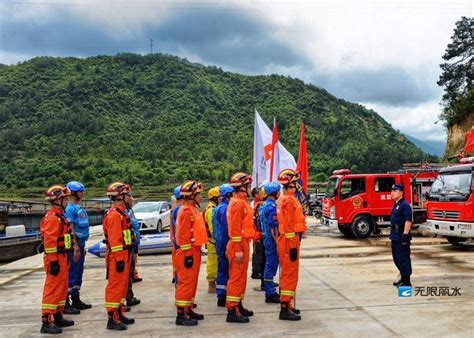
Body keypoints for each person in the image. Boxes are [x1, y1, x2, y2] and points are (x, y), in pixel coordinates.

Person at [40, 185, 75, 334]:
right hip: (55, 259)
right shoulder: (53, 219)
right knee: (52, 289)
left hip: (62, 256)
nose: (67, 201)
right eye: (65, 199)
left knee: (61, 289)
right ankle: (47, 321)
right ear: (58, 200)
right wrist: (53, 261)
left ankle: (58, 314)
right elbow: (50, 242)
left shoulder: (61, 217)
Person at [103, 182, 136, 330]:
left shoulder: (121, 214)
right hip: (118, 256)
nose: (130, 198)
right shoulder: (115, 216)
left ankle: (119, 312)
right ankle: (112, 318)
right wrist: (119, 260)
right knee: (115, 287)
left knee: (121, 288)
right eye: (128, 195)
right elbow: (115, 241)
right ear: (121, 196)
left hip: (124, 254)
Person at [174, 180, 208, 326]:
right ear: (192, 195)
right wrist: (187, 253)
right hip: (187, 252)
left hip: (194, 250)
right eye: (198, 194)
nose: (201, 196)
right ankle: (181, 314)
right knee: (185, 283)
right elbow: (183, 235)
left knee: (191, 282)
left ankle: (188, 307)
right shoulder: (186, 211)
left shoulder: (193, 209)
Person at [225, 172, 255, 323]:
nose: (251, 188)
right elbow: (235, 228)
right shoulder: (237, 203)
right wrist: (237, 249)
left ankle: (238, 304)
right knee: (236, 278)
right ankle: (232, 310)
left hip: (243, 243)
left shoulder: (241, 202)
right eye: (248, 186)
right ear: (242, 187)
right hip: (238, 244)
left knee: (241, 277)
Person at [277, 169, 306, 321]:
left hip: (291, 239)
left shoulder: (289, 198)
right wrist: (292, 245)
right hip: (289, 241)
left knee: (291, 273)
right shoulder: (288, 200)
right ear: (289, 184)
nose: (297, 186)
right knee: (288, 274)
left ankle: (288, 305)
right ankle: (284, 307)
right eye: (295, 183)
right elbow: (288, 225)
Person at [64, 181, 91, 314]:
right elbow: (71, 228)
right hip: (75, 246)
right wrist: (75, 246)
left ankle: (76, 299)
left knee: (78, 273)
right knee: (72, 273)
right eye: (81, 191)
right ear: (74, 192)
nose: (82, 193)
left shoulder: (77, 208)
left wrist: (82, 247)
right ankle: (66, 302)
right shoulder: (70, 209)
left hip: (81, 244)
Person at [212, 183, 234, 307]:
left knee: (221, 270)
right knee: (227, 271)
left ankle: (221, 294)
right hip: (225, 244)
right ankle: (225, 296)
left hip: (219, 243)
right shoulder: (225, 209)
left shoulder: (217, 208)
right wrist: (228, 247)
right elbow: (227, 229)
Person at [260, 182, 281, 303]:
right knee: (270, 266)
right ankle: (270, 293)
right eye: (278, 191)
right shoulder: (272, 207)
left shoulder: (264, 206)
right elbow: (274, 228)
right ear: (274, 193)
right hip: (271, 240)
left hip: (266, 239)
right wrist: (278, 243)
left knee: (269, 265)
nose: (279, 193)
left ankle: (270, 290)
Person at [390, 184, 413, 287]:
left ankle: (406, 281)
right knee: (396, 258)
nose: (392, 192)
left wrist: (405, 234)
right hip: (395, 235)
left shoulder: (405, 205)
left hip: (401, 235)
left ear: (401, 193)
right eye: (392, 191)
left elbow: (408, 220)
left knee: (403, 257)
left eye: (395, 191)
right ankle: (402, 277)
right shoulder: (396, 204)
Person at [203, 186, 219, 293]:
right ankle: (211, 284)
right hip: (213, 242)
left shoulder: (213, 208)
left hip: (212, 241)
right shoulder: (211, 210)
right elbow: (213, 228)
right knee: (212, 263)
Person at [125, 206, 141, 306]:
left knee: (129, 275)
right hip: (123, 251)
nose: (132, 199)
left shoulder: (128, 211)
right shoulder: (118, 214)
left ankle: (129, 296)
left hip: (131, 245)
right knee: (125, 277)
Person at [250, 187, 264, 280]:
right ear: (256, 195)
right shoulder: (255, 205)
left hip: (257, 232)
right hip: (256, 232)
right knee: (257, 252)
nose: (262, 195)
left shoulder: (257, 204)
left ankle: (256, 270)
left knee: (258, 252)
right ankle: (256, 271)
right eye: (260, 193)